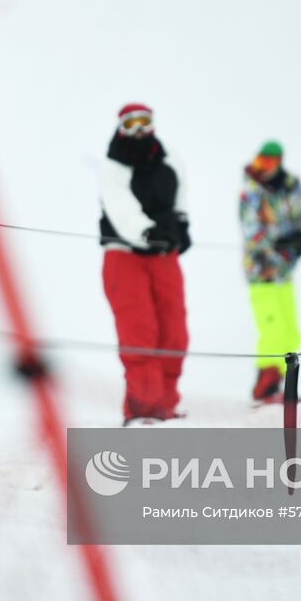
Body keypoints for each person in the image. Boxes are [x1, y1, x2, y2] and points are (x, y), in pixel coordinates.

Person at [99, 103, 191, 425]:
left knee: (173, 331)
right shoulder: (113, 165)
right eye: (131, 123)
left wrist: (181, 224)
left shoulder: (167, 159)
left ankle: (165, 404)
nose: (138, 129)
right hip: (125, 254)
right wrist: (145, 231)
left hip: (163, 256)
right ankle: (141, 409)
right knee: (140, 331)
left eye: (144, 122)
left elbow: (180, 191)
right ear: (121, 127)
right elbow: (119, 205)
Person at [239, 141, 301, 401]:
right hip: (262, 271)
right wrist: (274, 246)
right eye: (261, 161)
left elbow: (299, 216)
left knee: (290, 329)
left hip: (285, 270)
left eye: (269, 162)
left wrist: (298, 239)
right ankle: (264, 387)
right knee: (272, 329)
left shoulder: (290, 185)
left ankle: (284, 386)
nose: (264, 167)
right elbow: (251, 231)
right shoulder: (251, 191)